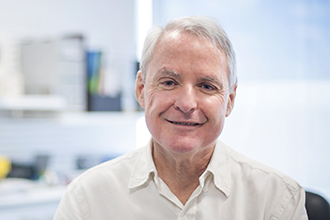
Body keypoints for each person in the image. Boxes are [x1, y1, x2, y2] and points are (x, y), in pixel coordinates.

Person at [54, 16, 308, 219]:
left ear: (229, 100)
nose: (186, 104)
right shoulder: (88, 197)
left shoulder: (277, 199)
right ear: (141, 90)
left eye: (207, 86)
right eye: (169, 82)